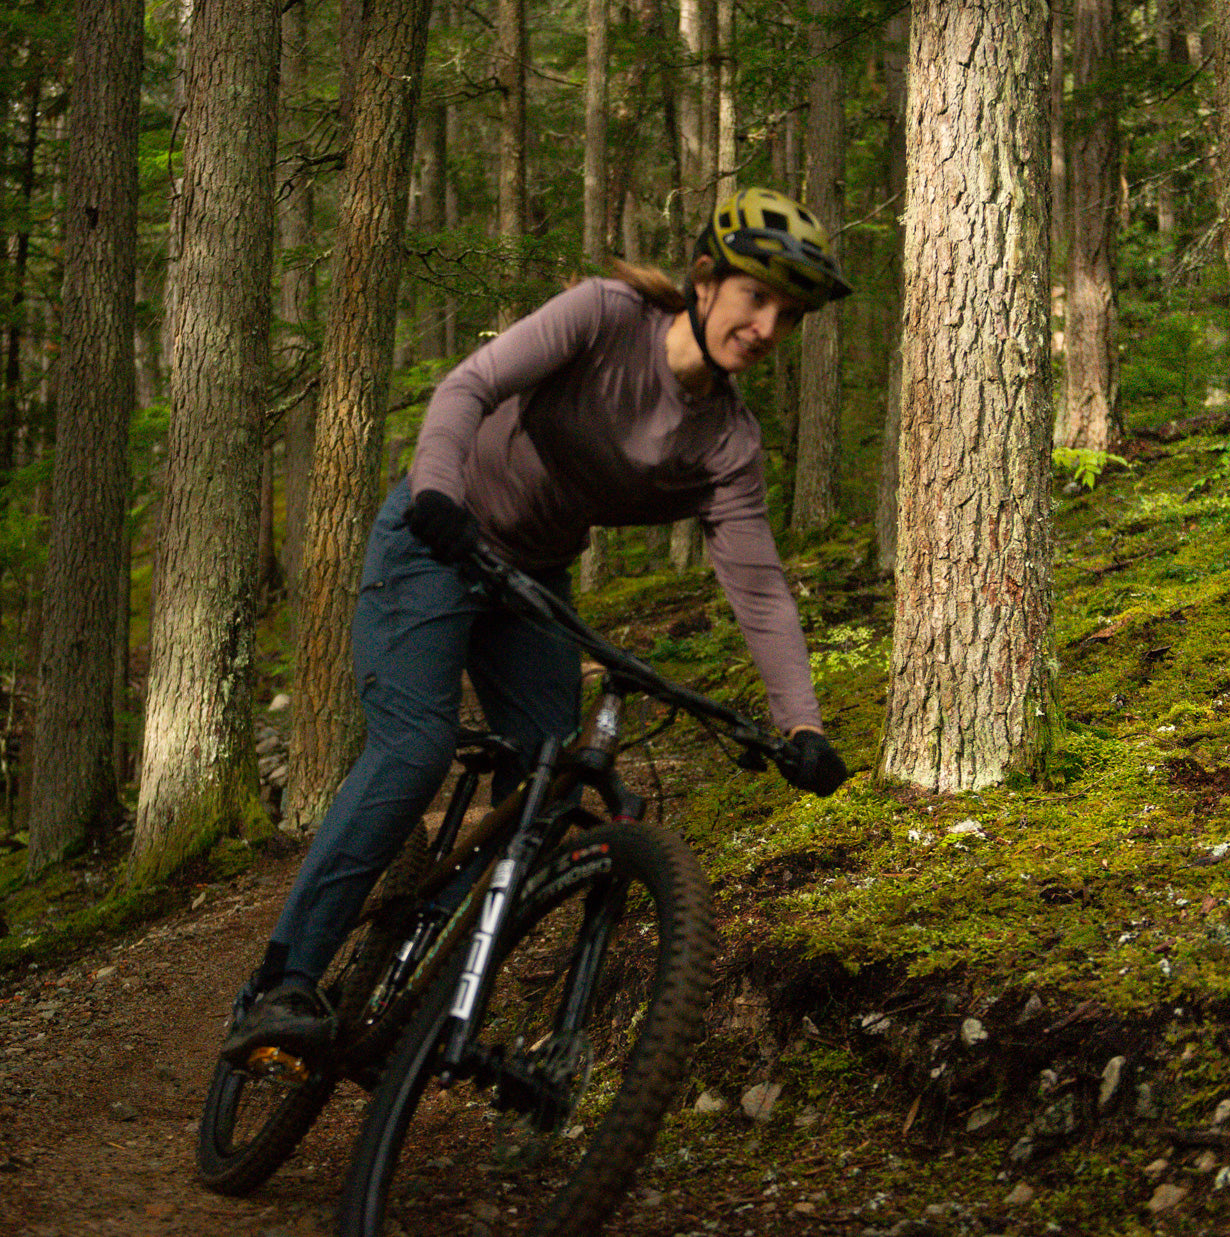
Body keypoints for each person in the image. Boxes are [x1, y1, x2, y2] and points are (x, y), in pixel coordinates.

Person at [221, 187, 851, 1063]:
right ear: (705, 279)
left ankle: (425, 963)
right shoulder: (606, 316)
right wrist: (437, 492)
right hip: (435, 540)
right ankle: (282, 982)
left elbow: (761, 589)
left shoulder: (727, 443)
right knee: (415, 747)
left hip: (531, 583)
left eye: (790, 314)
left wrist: (802, 726)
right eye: (757, 297)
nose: (768, 327)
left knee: (548, 785)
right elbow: (469, 385)